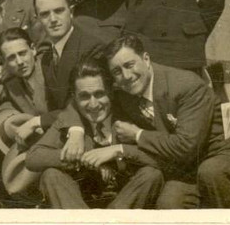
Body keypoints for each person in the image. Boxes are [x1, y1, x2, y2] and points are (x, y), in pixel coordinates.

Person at [102, 34, 230, 208]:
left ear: (146, 59)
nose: (126, 76)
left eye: (129, 65)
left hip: (227, 159)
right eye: (117, 72)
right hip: (188, 170)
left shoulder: (185, 85)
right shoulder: (126, 95)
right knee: (169, 202)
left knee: (211, 172)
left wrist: (137, 135)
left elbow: (186, 147)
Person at [24, 58, 165, 208]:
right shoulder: (71, 120)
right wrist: (84, 159)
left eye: (99, 94)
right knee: (51, 175)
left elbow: (159, 159)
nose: (93, 104)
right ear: (75, 97)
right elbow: (33, 157)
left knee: (152, 175)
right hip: (81, 202)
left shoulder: (129, 113)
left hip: (126, 198)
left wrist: (118, 151)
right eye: (84, 96)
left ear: (111, 92)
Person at [32, 0, 107, 113]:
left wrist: (39, 122)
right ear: (38, 19)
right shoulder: (47, 58)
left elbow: (87, 107)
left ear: (71, 12)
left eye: (59, 11)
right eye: (45, 14)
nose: (53, 19)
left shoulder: (91, 48)